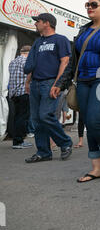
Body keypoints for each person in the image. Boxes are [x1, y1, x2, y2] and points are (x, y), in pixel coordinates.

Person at [52, 0, 100, 182]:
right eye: (87, 4)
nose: (89, 7)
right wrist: (60, 83)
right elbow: (73, 61)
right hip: (83, 81)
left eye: (94, 4)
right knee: (88, 122)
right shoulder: (83, 30)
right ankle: (96, 168)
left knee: (96, 120)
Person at [24, 13, 73, 163]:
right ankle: (43, 152)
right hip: (36, 83)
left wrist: (57, 84)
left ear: (47, 23)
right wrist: (28, 82)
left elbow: (64, 62)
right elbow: (32, 64)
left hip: (50, 82)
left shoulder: (61, 40)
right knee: (37, 119)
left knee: (45, 115)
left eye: (37, 21)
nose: (35, 24)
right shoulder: (38, 42)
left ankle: (65, 142)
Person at [8, 45, 33, 149]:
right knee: (22, 117)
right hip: (23, 92)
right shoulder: (26, 62)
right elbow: (30, 75)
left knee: (16, 117)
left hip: (13, 93)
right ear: (28, 53)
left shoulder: (12, 62)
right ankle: (19, 141)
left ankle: (16, 139)